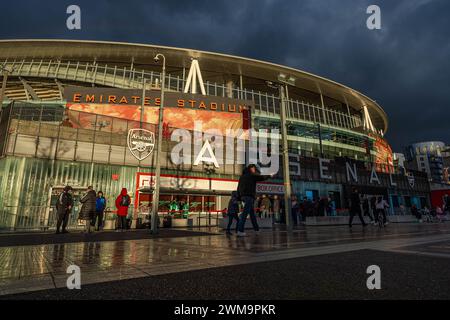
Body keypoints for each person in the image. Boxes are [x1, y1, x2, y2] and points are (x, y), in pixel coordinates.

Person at [236, 164, 272, 237]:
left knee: (252, 214)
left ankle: (256, 229)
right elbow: (261, 178)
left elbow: (238, 187)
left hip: (243, 196)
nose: (254, 170)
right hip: (249, 196)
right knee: (245, 214)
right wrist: (269, 175)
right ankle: (240, 230)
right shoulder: (251, 175)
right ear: (251, 168)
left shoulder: (242, 177)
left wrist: (239, 197)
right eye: (254, 169)